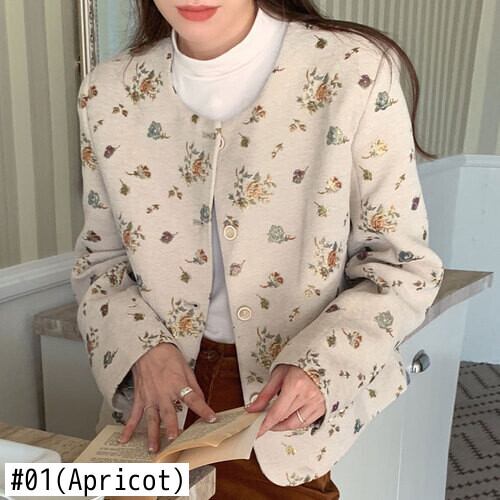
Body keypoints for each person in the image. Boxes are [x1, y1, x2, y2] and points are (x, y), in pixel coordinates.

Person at [71, 0, 444, 497]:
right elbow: (100, 262)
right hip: (151, 395)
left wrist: (319, 365)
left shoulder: (352, 68)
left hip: (276, 410)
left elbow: (401, 266)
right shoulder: (107, 91)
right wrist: (143, 349)